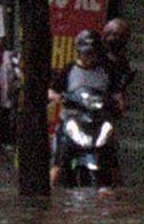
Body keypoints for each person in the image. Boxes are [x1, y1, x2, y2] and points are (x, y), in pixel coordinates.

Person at [50, 27, 122, 189]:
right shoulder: (69, 69)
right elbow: (52, 90)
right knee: (58, 165)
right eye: (86, 53)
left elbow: (117, 95)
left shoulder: (106, 70)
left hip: (98, 121)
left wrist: (116, 105)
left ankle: (116, 192)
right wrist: (60, 98)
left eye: (92, 53)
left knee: (112, 162)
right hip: (73, 120)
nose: (89, 57)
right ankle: (49, 195)